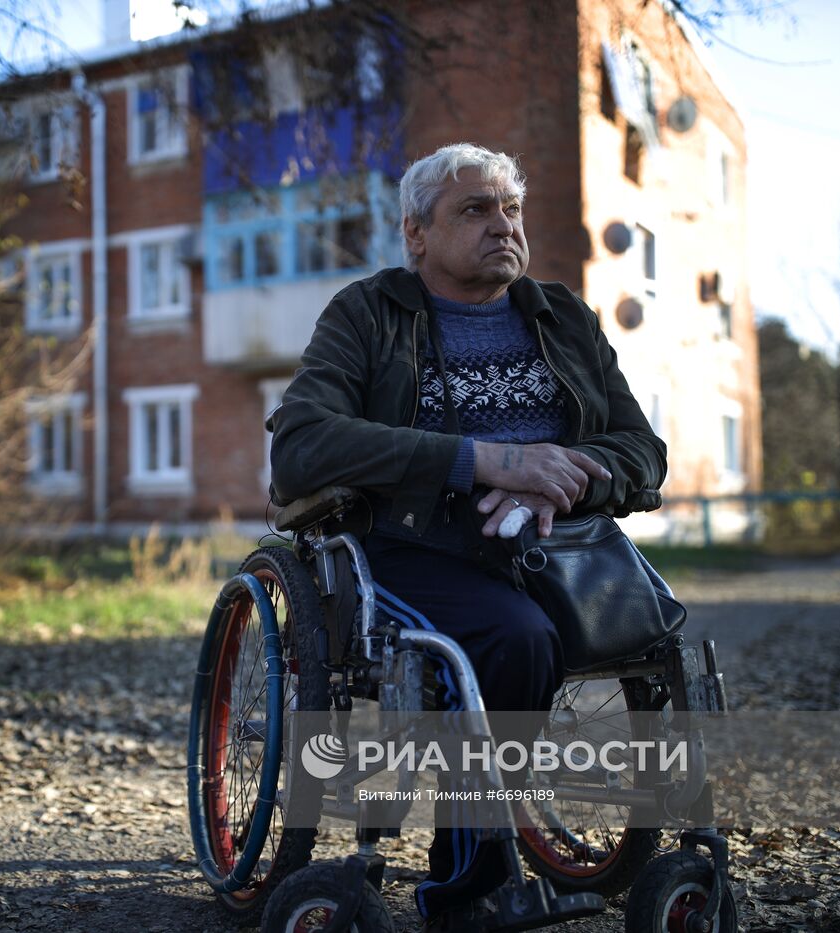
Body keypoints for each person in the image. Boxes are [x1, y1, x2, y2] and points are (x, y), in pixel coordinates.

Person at [268, 142, 667, 931]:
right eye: (475, 210)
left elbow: (643, 451)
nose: (502, 225)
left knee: (653, 625)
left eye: (510, 208)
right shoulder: (368, 311)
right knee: (511, 639)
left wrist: (569, 471)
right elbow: (302, 443)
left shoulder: (563, 316)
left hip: (555, 547)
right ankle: (467, 890)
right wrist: (483, 460)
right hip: (412, 546)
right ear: (417, 233)